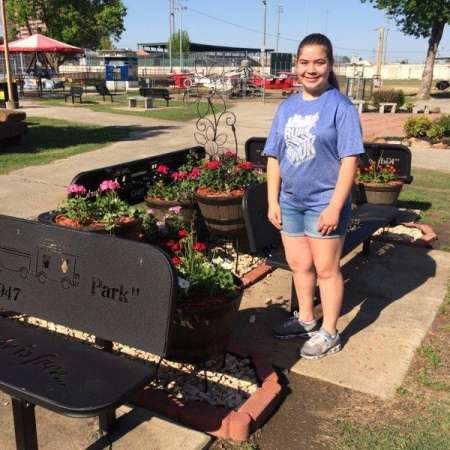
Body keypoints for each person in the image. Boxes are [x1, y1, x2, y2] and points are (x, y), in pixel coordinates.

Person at [262, 33, 365, 360]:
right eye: (304, 62)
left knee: (326, 269)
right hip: (291, 202)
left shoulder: (341, 106)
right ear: (296, 66)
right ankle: (306, 319)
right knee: (299, 265)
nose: (311, 69)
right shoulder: (286, 107)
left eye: (319, 62)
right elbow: (274, 157)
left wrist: (336, 206)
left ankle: (330, 332)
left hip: (324, 204)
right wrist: (272, 201)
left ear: (330, 64)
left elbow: (350, 159)